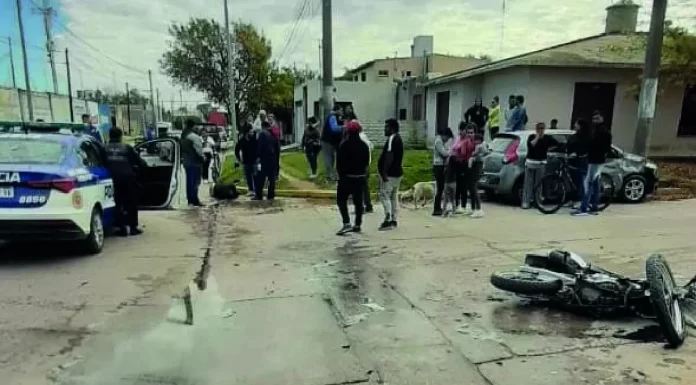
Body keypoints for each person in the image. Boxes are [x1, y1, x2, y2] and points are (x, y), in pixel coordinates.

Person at [105, 127, 147, 236]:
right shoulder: (127, 148)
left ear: (109, 136)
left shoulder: (104, 148)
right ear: (120, 136)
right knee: (131, 203)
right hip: (128, 178)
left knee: (117, 203)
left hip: (111, 180)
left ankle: (120, 228)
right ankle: (133, 228)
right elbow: (140, 162)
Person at [335, 120, 371, 235]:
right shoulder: (364, 146)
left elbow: (339, 164)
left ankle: (346, 223)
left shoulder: (344, 145)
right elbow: (366, 162)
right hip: (360, 177)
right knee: (358, 202)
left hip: (347, 177)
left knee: (341, 200)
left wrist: (341, 176)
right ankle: (357, 224)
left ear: (348, 131)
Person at [572, 119, 612, 216]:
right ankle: (593, 206)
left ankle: (584, 208)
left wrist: (582, 154)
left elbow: (591, 146)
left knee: (588, 183)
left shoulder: (598, 133)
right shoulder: (600, 132)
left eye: (596, 118)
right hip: (597, 160)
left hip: (593, 160)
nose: (594, 120)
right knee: (594, 183)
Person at [522, 122, 558, 209]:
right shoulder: (531, 137)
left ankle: (537, 202)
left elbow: (557, 144)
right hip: (530, 162)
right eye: (539, 128)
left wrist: (548, 150)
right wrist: (537, 137)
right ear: (536, 129)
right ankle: (526, 202)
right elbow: (531, 145)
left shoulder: (548, 138)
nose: (541, 130)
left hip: (541, 163)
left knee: (539, 184)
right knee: (528, 183)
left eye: (542, 128)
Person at [378, 118, 404, 231]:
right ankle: (394, 219)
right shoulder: (398, 138)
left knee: (384, 195)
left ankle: (388, 218)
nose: (385, 129)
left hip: (390, 174)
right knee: (393, 196)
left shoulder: (392, 139)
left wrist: (384, 172)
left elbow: (389, 156)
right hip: (397, 173)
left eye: (386, 127)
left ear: (392, 128)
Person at [450, 122, 475, 214]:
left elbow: (466, 153)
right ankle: (456, 204)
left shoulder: (468, 141)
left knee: (463, 186)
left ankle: (463, 205)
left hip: (464, 164)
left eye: (463, 130)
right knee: (457, 185)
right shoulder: (457, 138)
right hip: (456, 163)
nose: (461, 132)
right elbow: (453, 148)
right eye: (460, 130)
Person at [181, 119, 205, 207]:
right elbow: (199, 151)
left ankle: (190, 201)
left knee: (189, 182)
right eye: (196, 126)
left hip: (186, 162)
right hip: (195, 163)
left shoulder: (183, 135)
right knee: (195, 182)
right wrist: (203, 157)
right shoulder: (194, 137)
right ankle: (195, 200)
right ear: (193, 126)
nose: (197, 127)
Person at [254, 121, 280, 201]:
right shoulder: (274, 135)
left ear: (262, 126)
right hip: (273, 160)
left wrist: (257, 157)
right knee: (271, 179)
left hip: (264, 160)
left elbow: (260, 147)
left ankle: (259, 195)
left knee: (260, 178)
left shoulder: (262, 134)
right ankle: (271, 195)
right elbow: (277, 149)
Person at [567, 118, 590, 207]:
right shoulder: (573, 136)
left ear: (580, 126)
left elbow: (586, 149)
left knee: (579, 181)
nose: (574, 125)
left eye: (576, 124)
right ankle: (572, 199)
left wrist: (578, 154)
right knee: (571, 181)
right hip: (571, 161)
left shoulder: (586, 137)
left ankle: (579, 200)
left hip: (580, 161)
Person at [432, 126, 454, 216]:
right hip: (438, 166)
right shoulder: (438, 141)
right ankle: (436, 209)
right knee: (440, 188)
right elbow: (444, 154)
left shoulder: (440, 141)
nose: (447, 140)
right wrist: (450, 152)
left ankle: (438, 208)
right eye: (447, 138)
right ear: (444, 135)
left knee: (441, 188)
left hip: (440, 165)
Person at [468, 133, 488, 218]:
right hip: (476, 165)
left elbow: (474, 154)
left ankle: (478, 209)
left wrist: (470, 154)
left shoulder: (480, 146)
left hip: (477, 165)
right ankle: (476, 208)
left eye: (476, 140)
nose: (475, 142)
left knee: (473, 187)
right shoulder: (482, 145)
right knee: (472, 187)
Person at [321, 105, 343, 182]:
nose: (341, 112)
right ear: (336, 110)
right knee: (328, 159)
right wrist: (344, 127)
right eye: (340, 110)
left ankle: (330, 175)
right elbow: (334, 128)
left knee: (331, 158)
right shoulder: (332, 117)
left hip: (329, 141)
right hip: (327, 141)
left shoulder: (333, 117)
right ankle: (329, 176)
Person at [234, 123, 258, 196]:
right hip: (246, 161)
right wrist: (238, 158)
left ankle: (256, 190)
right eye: (250, 132)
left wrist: (258, 158)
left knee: (255, 176)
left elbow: (258, 148)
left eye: (252, 132)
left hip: (254, 161)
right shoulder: (242, 140)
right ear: (247, 133)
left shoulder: (254, 139)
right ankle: (250, 190)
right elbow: (236, 149)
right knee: (248, 176)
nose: (252, 133)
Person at [358, 123, 375, 213]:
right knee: (364, 187)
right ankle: (368, 206)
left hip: (361, 166)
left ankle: (361, 207)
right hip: (366, 165)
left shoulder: (359, 138)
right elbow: (372, 147)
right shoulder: (364, 137)